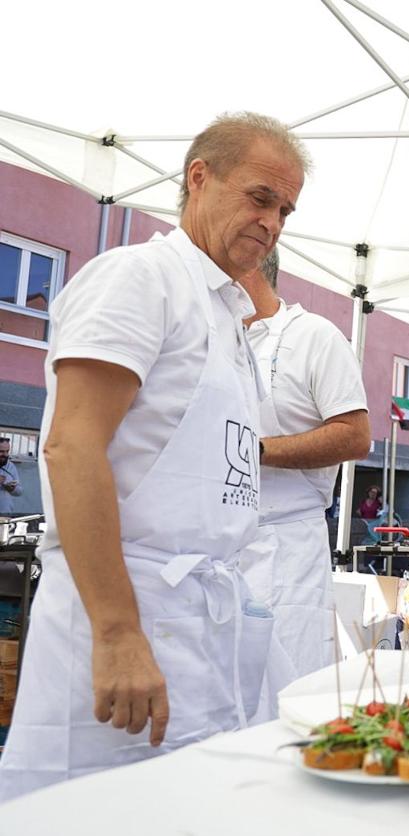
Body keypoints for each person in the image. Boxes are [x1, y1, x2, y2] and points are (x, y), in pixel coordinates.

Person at [0, 112, 308, 801]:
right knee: (103, 812)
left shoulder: (225, 317)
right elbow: (71, 445)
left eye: (285, 210)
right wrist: (116, 631)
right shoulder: (139, 278)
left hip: (203, 623)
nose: (274, 223)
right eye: (261, 197)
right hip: (127, 615)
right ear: (200, 179)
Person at [240, 248, 370, 719]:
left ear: (247, 266)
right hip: (219, 545)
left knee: (286, 696)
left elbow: (356, 436)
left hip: (286, 547)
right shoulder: (218, 340)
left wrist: (252, 450)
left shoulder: (313, 336)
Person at [0, 438, 21, 515]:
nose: (5, 455)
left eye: (7, 451)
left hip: (5, 515)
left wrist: (12, 489)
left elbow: (19, 491)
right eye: (1, 451)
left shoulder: (10, 466)